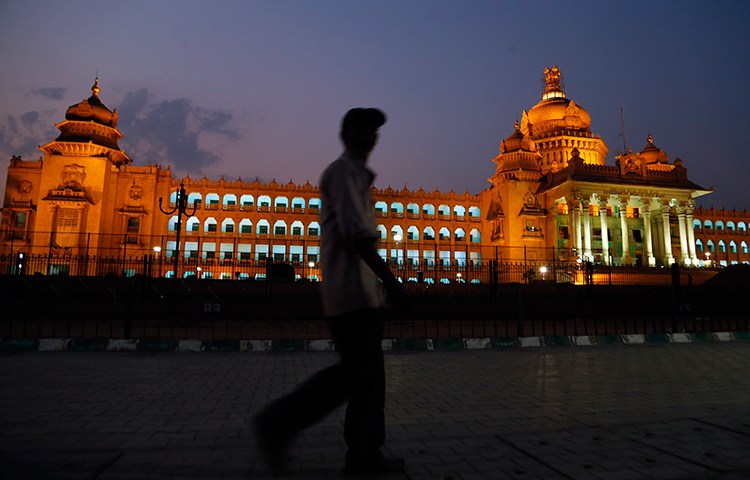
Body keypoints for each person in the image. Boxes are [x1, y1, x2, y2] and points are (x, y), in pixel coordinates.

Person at [254, 107, 408, 477]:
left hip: (363, 296)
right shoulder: (343, 173)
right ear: (348, 135)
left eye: (375, 131)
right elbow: (357, 236)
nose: (372, 137)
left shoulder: (358, 176)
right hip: (351, 295)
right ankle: (278, 422)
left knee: (369, 382)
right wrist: (391, 281)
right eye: (364, 130)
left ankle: (364, 457)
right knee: (355, 376)